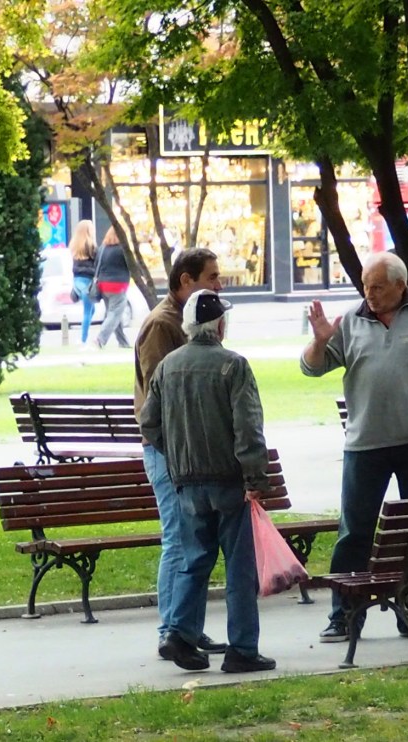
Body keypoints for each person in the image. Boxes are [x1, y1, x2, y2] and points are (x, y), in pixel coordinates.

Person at [301, 252, 408, 643]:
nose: (368, 293)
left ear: (400, 285)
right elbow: (311, 368)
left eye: (376, 286)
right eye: (364, 285)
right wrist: (319, 343)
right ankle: (343, 615)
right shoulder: (352, 320)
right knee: (354, 530)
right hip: (365, 443)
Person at [140, 290, 276, 673]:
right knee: (239, 568)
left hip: (186, 481)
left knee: (194, 560)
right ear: (219, 325)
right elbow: (248, 427)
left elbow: (148, 423)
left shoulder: (167, 367)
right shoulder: (233, 365)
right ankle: (243, 649)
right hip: (228, 480)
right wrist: (255, 478)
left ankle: (180, 634)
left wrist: (177, 454)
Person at [134, 248, 225, 658]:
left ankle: (187, 626)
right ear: (185, 281)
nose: (218, 285)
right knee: (177, 538)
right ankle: (170, 629)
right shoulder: (161, 325)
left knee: (193, 540)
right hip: (167, 450)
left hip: (185, 450)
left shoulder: (190, 322)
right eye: (211, 277)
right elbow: (160, 395)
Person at [94, 226, 132, 349]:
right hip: (118, 285)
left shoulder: (102, 248)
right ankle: (100, 339)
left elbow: (96, 266)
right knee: (115, 314)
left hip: (103, 285)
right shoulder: (122, 250)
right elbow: (132, 265)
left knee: (114, 314)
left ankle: (123, 343)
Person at [69, 220, 98, 345]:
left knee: (91, 310)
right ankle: (83, 340)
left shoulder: (74, 245)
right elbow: (96, 263)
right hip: (88, 281)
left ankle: (83, 337)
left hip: (77, 281)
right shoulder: (91, 245)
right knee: (88, 311)